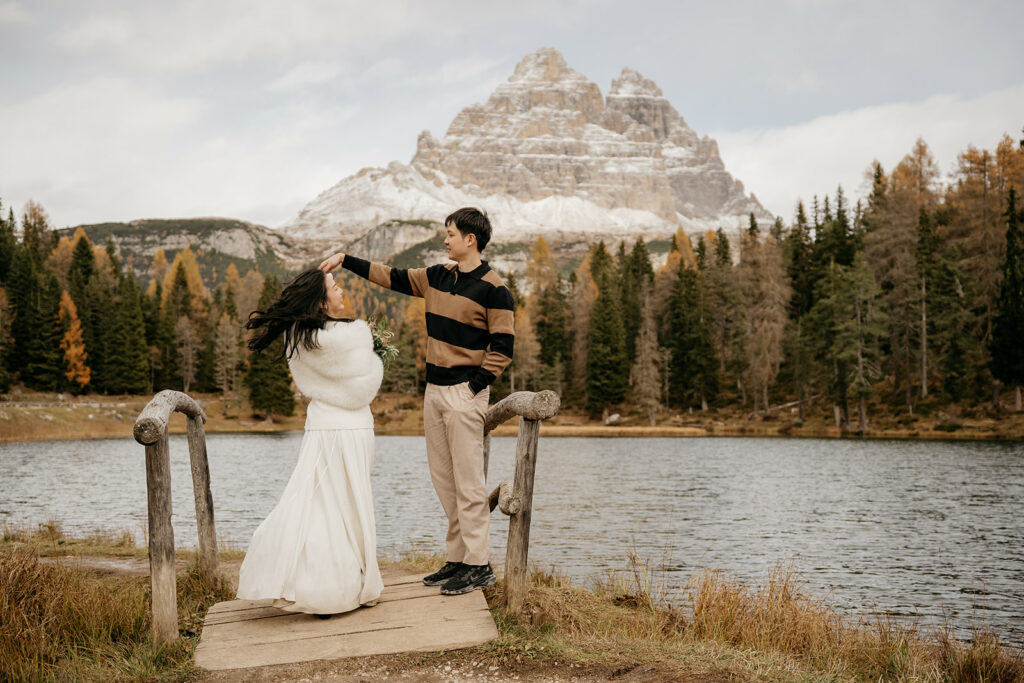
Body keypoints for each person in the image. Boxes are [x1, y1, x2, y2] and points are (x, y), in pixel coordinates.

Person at [319, 207, 514, 596]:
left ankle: (479, 565)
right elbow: (391, 276)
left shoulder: (495, 290)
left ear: (470, 240)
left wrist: (472, 388)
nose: (445, 240)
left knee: (469, 484)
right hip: (434, 392)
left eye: (450, 234)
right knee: (444, 481)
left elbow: (503, 348)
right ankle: (458, 559)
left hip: (464, 393)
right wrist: (346, 260)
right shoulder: (437, 276)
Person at [235, 269, 384, 617]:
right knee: (352, 503)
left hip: (320, 426)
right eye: (334, 287)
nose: (341, 290)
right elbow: (366, 383)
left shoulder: (298, 337)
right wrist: (376, 357)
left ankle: (317, 581)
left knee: (318, 502)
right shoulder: (355, 334)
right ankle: (348, 583)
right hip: (353, 426)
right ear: (321, 302)